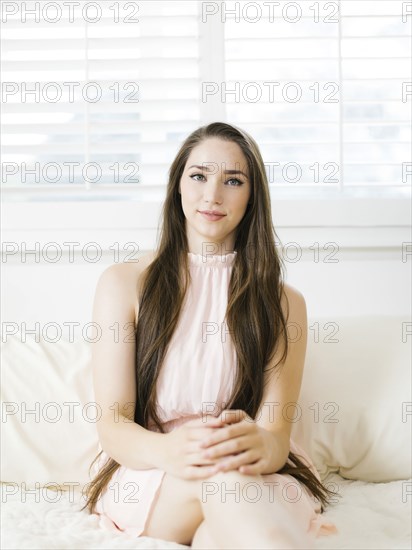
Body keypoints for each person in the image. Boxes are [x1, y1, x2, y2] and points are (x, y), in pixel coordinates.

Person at [81, 122, 339, 549]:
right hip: (157, 471)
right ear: (177, 186)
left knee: (219, 530)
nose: (212, 195)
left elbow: (275, 440)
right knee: (226, 486)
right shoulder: (124, 284)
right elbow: (113, 425)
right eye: (199, 176)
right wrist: (173, 450)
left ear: (252, 195)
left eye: (232, 180)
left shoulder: (285, 303)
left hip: (254, 473)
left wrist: (256, 442)